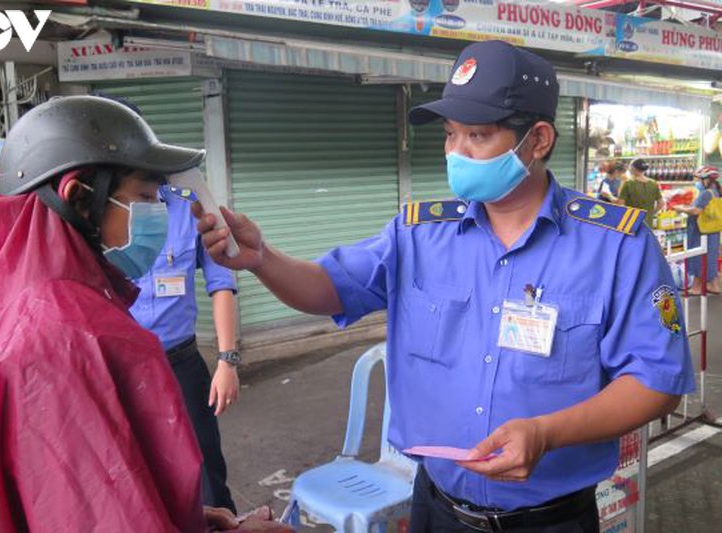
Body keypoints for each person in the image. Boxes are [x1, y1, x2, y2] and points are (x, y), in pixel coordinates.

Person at [194, 41, 695, 532]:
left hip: (551, 521)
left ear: (538, 140)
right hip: (436, 510)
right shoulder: (418, 235)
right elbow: (329, 288)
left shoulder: (616, 247)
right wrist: (263, 260)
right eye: (450, 134)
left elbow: (658, 381)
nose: (456, 152)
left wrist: (546, 433)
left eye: (477, 135)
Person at [0, 96, 284, 532]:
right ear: (79, 197)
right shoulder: (67, 336)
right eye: (145, 197)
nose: (158, 213)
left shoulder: (29, 303)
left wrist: (189, 517)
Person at [131, 184, 240, 513]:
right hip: (126, 370)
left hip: (182, 364)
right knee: (139, 473)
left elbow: (222, 283)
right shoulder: (107, 210)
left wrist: (227, 361)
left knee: (208, 473)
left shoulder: (191, 207)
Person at [675, 166, 721, 295]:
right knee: (710, 258)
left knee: (698, 257)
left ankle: (696, 287)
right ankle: (714, 285)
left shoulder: (706, 193)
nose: (696, 182)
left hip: (700, 231)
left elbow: (696, 211)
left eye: (698, 179)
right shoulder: (717, 191)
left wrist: (681, 208)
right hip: (713, 231)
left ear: (706, 179)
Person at [619, 158, 664, 228]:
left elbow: (620, 203)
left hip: (631, 222)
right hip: (648, 223)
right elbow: (661, 203)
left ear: (633, 168)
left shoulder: (628, 184)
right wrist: (651, 213)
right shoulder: (654, 183)